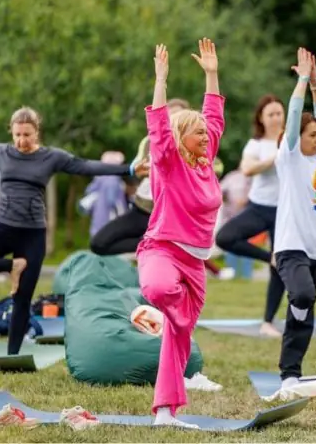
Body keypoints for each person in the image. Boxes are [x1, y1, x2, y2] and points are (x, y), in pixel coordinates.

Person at [0, 109, 148, 356]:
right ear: (11, 132)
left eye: (27, 135)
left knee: (22, 299)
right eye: (17, 135)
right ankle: (12, 266)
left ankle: (12, 354)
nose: (21, 140)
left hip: (32, 236)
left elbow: (85, 166)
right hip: (1, 230)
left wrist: (128, 169)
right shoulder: (2, 152)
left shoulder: (50, 157)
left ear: (37, 132)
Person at [137, 39, 224, 429]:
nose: (206, 137)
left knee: (180, 334)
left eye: (206, 134)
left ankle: (165, 412)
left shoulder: (205, 160)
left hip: (196, 263)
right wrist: (161, 80)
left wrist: (212, 75)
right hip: (163, 250)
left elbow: (215, 116)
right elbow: (158, 128)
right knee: (158, 289)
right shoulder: (170, 162)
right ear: (181, 137)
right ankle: (159, 313)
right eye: (198, 133)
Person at [271, 48, 316, 398]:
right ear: (297, 138)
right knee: (303, 296)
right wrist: (302, 81)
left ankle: (291, 374)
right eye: (312, 135)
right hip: (291, 246)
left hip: (315, 249)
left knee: (305, 310)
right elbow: (296, 115)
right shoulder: (290, 157)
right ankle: (289, 370)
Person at [215, 93, 289, 337]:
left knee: (280, 269)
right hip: (258, 208)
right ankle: (269, 257)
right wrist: (275, 157)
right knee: (224, 237)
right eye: (271, 114)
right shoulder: (256, 145)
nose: (276, 118)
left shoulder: (292, 140)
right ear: (261, 118)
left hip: (284, 212)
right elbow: (247, 168)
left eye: (279, 113)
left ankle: (268, 321)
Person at [89, 99, 191, 257]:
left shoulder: (191, 144)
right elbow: (138, 170)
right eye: (169, 116)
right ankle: (153, 244)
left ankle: (162, 246)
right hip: (141, 208)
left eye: (177, 115)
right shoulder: (150, 141)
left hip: (167, 217)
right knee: (98, 244)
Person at [80, 151, 130, 239]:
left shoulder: (99, 178)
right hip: (109, 224)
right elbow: (113, 202)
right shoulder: (113, 180)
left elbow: (88, 191)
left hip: (97, 223)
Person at [218, 168, 254, 279]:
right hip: (230, 217)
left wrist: (247, 200)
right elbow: (220, 190)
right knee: (230, 244)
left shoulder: (254, 178)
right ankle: (231, 272)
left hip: (247, 217)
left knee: (246, 245)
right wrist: (225, 198)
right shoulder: (232, 176)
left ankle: (246, 275)